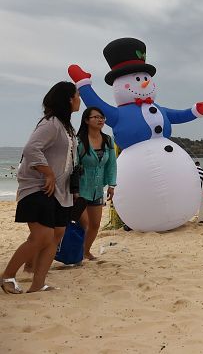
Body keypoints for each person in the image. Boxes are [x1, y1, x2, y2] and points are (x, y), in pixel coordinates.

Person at [2, 81, 80, 294]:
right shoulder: (51, 123)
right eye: (77, 95)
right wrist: (48, 173)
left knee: (56, 235)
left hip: (60, 192)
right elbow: (31, 148)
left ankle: (38, 284)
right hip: (38, 187)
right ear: (68, 99)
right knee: (42, 237)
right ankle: (7, 275)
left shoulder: (66, 127)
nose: (79, 99)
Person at [75, 107, 117, 260]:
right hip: (80, 190)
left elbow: (112, 164)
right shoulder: (78, 140)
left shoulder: (107, 140)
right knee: (83, 224)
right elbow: (73, 166)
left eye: (102, 117)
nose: (101, 120)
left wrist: (112, 185)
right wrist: (74, 191)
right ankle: (75, 252)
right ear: (86, 120)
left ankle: (85, 252)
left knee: (94, 225)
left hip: (97, 189)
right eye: (96, 117)